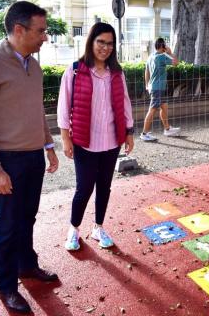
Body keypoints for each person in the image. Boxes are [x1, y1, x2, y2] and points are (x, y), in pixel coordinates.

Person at [0, 1, 59, 314]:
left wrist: (48, 147)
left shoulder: (34, 66)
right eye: (41, 31)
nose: (45, 37)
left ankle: (26, 266)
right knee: (7, 226)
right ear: (18, 30)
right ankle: (7, 287)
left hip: (33, 156)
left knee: (27, 218)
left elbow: (37, 111)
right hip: (6, 160)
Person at [57, 22, 134, 251]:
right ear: (91, 42)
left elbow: (125, 104)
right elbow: (63, 107)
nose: (105, 47)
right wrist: (65, 138)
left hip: (111, 141)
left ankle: (98, 227)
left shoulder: (117, 74)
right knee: (84, 188)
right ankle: (74, 228)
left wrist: (129, 133)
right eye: (101, 42)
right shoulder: (74, 70)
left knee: (105, 186)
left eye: (110, 43)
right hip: (84, 142)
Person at [140, 38, 180, 141]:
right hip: (158, 89)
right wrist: (170, 53)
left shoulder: (151, 57)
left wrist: (147, 85)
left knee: (164, 107)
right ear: (163, 47)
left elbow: (146, 72)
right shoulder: (162, 57)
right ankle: (144, 133)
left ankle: (167, 129)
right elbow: (176, 63)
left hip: (154, 87)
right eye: (165, 46)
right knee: (152, 110)